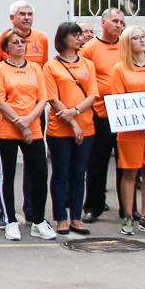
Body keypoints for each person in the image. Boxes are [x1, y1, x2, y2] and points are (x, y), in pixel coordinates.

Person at [0, 29, 50, 241]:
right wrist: (20, 123)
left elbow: (42, 98)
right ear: (6, 47)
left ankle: (39, 220)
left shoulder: (35, 68)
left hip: (33, 127)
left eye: (23, 42)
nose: (20, 45)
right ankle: (10, 220)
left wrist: (29, 120)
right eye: (15, 42)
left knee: (40, 173)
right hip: (7, 128)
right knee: (7, 175)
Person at [109, 26, 145, 236]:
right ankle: (128, 215)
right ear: (128, 42)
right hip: (131, 131)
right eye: (136, 38)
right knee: (130, 172)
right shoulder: (120, 69)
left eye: (144, 37)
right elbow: (118, 99)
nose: (142, 40)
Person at [43, 22, 98, 235]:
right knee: (61, 172)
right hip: (60, 128)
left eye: (80, 35)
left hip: (86, 126)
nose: (79, 38)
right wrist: (71, 120)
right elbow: (52, 97)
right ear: (63, 38)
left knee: (79, 173)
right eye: (74, 35)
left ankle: (76, 216)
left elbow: (92, 94)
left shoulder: (87, 64)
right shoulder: (51, 66)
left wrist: (74, 111)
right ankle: (61, 218)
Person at [80, 7, 126, 221]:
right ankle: (93, 206)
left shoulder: (126, 46)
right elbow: (81, 79)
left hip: (125, 113)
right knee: (97, 164)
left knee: (126, 164)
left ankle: (128, 208)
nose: (119, 25)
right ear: (103, 23)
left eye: (122, 22)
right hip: (100, 113)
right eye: (115, 21)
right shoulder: (89, 48)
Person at [0, 0, 50, 69]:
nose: (27, 18)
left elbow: (44, 68)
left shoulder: (42, 38)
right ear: (11, 17)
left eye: (30, 14)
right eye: (22, 14)